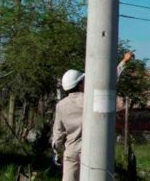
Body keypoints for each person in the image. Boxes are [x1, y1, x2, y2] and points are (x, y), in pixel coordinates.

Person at [52, 51, 133, 181]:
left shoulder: (61, 105)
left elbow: (58, 133)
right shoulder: (91, 99)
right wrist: (124, 62)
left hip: (71, 152)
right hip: (93, 150)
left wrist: (57, 152)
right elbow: (110, 81)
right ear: (79, 84)